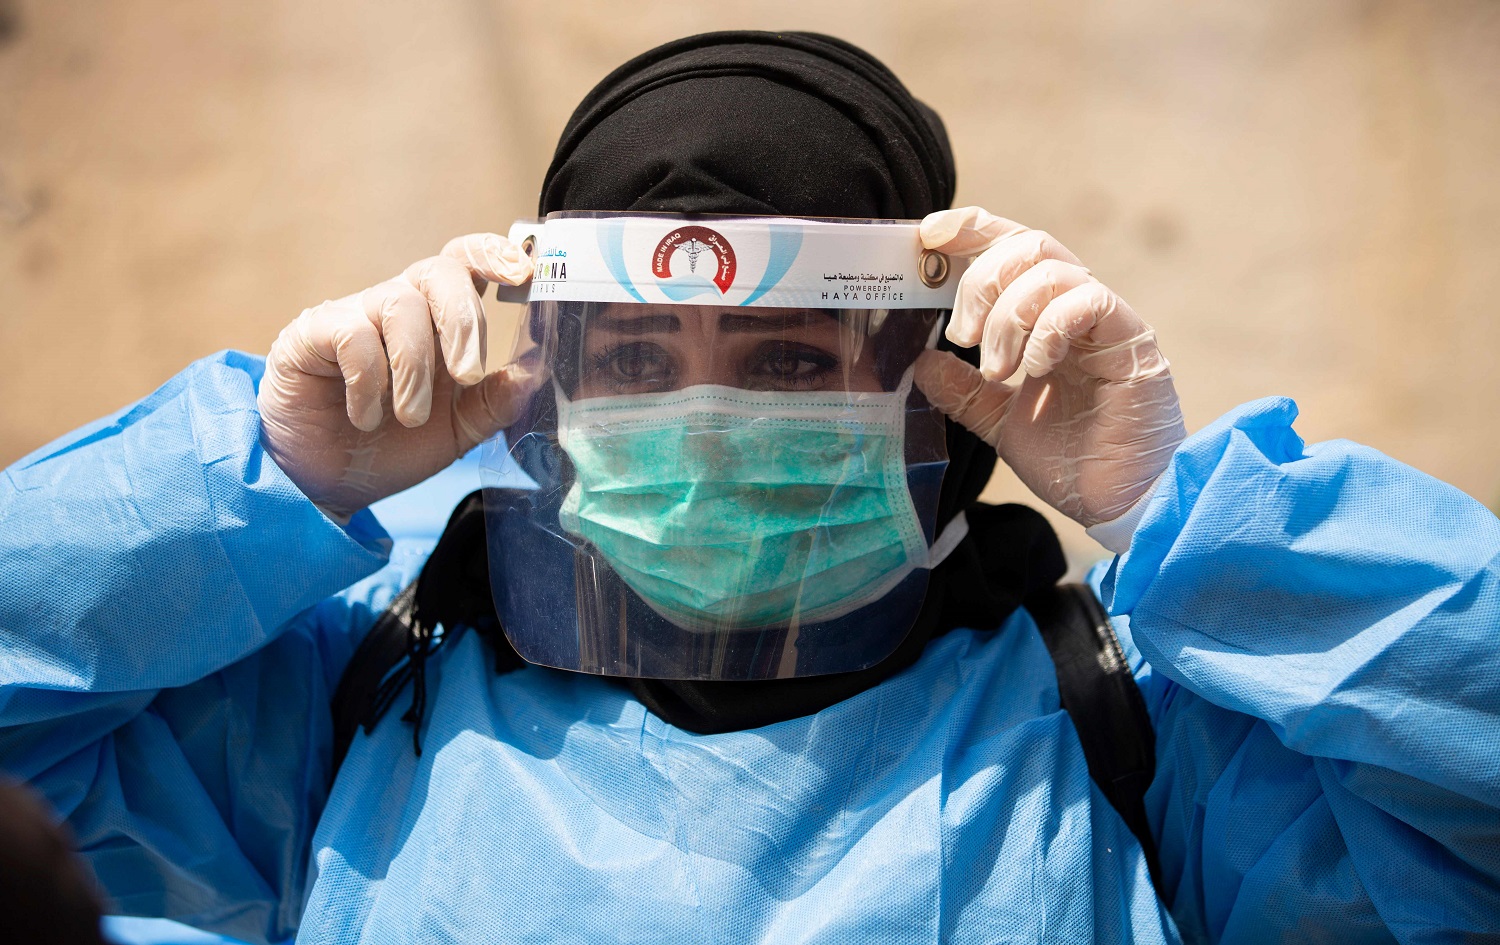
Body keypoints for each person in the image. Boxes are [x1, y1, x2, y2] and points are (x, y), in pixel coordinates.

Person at [1, 30, 1497, 944]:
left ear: (933, 385)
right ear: (550, 395)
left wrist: (1182, 512)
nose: (705, 427)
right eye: (637, 360)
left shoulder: (1131, 723)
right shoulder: (364, 700)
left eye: (788, 360)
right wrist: (258, 479)